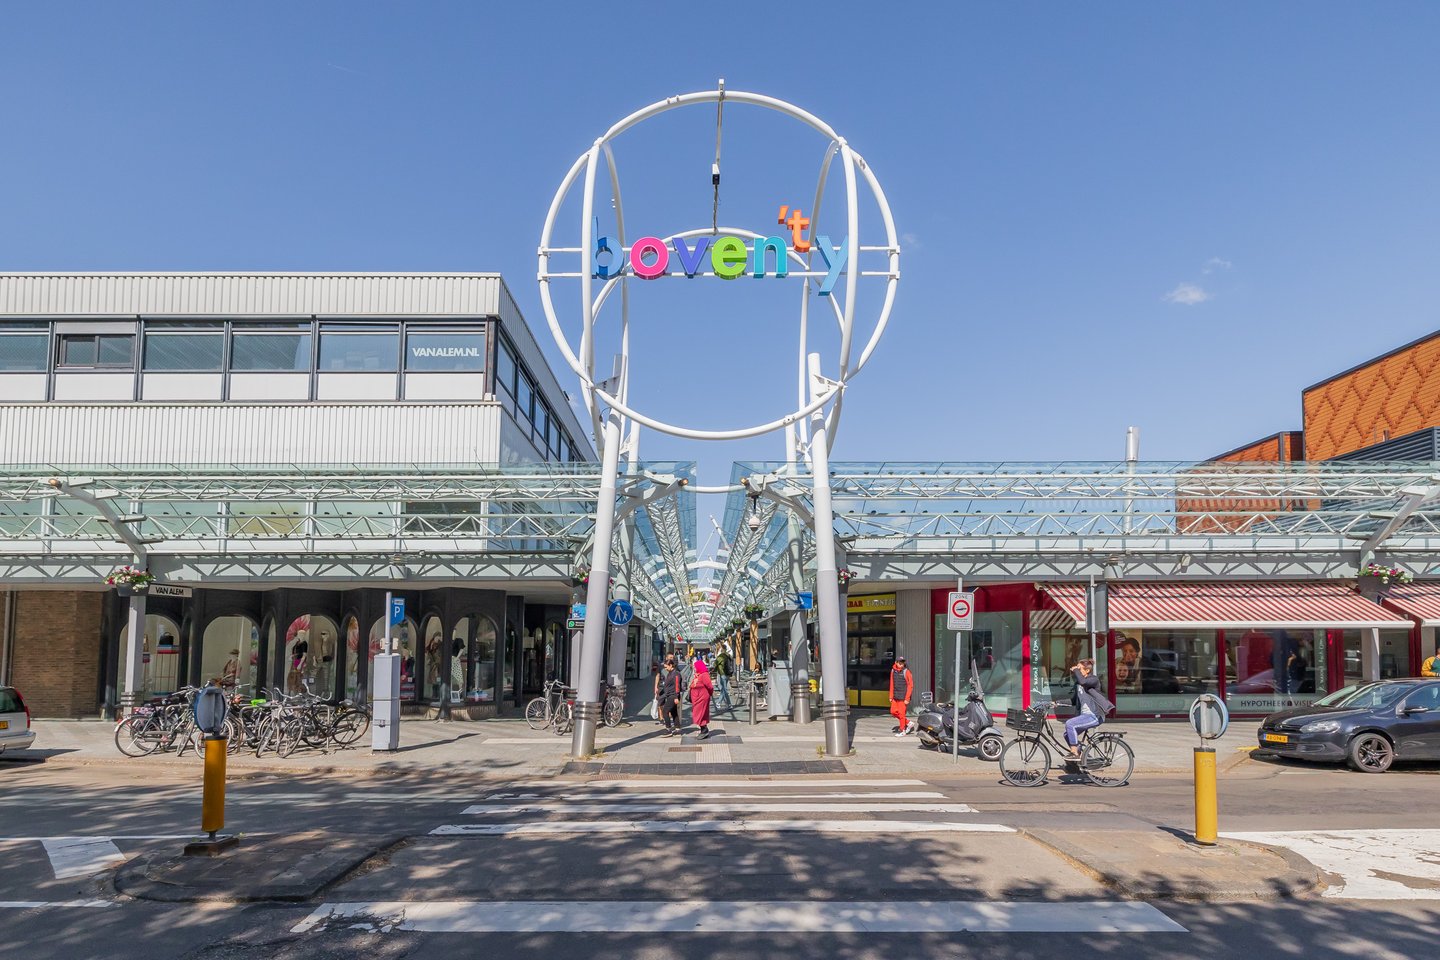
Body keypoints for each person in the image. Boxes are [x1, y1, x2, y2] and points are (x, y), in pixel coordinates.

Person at [1065, 658, 1113, 763]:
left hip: (1095, 716)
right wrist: (1055, 703)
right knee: (1067, 734)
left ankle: (1075, 753)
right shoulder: (1078, 685)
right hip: (1085, 716)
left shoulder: (1093, 680)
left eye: (1079, 668)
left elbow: (1083, 681)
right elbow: (1073, 701)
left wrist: (1075, 670)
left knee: (1070, 724)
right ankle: (1083, 757)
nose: (1076, 670)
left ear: (1087, 671)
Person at [655, 654, 684, 736]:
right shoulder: (670, 673)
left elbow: (677, 686)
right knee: (674, 711)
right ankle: (677, 728)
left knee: (665, 711)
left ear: (670, 665)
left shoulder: (676, 674)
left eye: (666, 667)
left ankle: (668, 729)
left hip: (673, 695)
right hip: (670, 694)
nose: (665, 669)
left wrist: (676, 696)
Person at [689, 657, 715, 739]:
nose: (695, 668)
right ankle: (703, 729)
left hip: (702, 698)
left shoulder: (704, 675)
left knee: (700, 714)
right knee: (700, 714)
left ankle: (704, 730)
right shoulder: (698, 674)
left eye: (696, 667)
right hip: (697, 698)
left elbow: (710, 686)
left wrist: (710, 694)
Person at [889, 655, 913, 737]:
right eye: (900, 663)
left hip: (903, 697)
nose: (901, 664)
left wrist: (907, 698)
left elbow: (910, 686)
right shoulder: (893, 671)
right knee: (893, 712)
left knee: (901, 714)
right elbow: (892, 684)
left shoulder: (907, 672)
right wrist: (890, 696)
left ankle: (903, 731)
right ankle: (908, 723)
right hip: (895, 696)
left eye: (903, 663)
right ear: (896, 662)